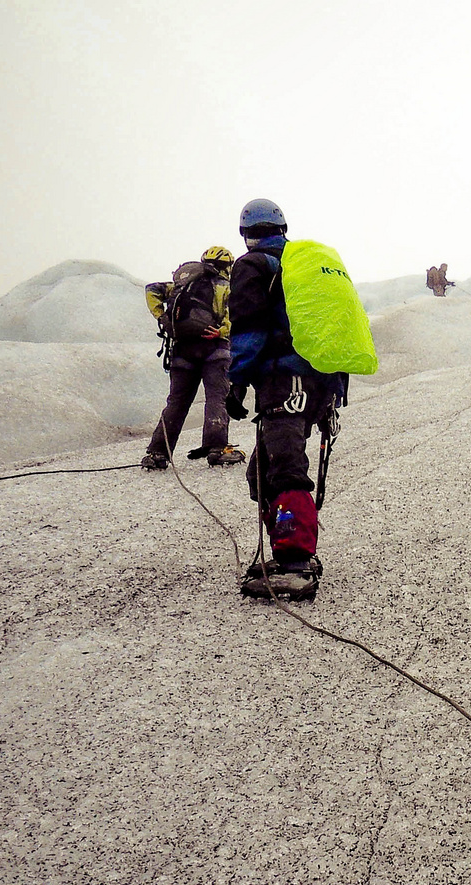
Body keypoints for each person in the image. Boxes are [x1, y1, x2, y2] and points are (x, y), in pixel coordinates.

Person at [222, 199, 348, 601]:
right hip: (320, 379)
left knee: (284, 462)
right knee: (262, 468)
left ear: (246, 234)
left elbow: (248, 327)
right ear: (282, 227)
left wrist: (237, 380)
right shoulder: (304, 265)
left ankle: (294, 560)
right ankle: (285, 542)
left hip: (284, 376)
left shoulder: (253, 265)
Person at [140, 246, 246, 469]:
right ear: (227, 266)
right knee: (216, 397)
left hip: (182, 350)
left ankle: (157, 454)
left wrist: (162, 317)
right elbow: (233, 317)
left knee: (177, 402)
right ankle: (217, 449)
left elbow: (151, 290)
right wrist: (222, 332)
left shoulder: (181, 287)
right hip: (214, 349)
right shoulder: (224, 287)